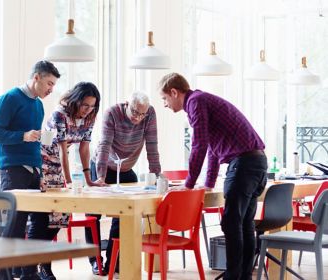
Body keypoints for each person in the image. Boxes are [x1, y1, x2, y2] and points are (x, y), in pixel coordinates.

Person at [157, 73, 266, 280]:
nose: (165, 104)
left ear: (174, 92)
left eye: (164, 98)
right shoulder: (202, 100)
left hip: (243, 165)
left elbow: (199, 144)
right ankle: (243, 276)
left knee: (232, 223)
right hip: (256, 162)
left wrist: (189, 185)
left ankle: (234, 277)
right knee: (243, 223)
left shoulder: (195, 102)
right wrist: (207, 183)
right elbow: (212, 147)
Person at [0, 60, 60, 280]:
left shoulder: (38, 104)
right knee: (16, 223)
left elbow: (36, 142)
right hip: (13, 170)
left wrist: (41, 172)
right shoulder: (10, 98)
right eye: (49, 83)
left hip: (34, 170)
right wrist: (22, 135)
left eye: (53, 85)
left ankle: (29, 272)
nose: (50, 89)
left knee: (39, 222)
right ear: (36, 77)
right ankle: (2, 274)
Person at [88, 91, 161, 275]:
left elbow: (152, 146)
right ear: (127, 104)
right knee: (93, 215)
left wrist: (156, 177)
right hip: (103, 165)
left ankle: (115, 260)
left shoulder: (149, 114)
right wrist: (101, 177)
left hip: (126, 169)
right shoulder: (112, 113)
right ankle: (96, 261)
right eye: (135, 112)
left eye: (141, 114)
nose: (138, 117)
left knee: (123, 216)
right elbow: (104, 145)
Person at [37, 82, 101, 279]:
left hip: (60, 164)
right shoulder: (60, 114)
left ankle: (40, 262)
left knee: (59, 219)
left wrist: (89, 179)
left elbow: (84, 148)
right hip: (45, 164)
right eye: (85, 105)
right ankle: (42, 266)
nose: (88, 110)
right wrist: (68, 182)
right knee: (47, 219)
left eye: (92, 106)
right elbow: (63, 150)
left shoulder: (90, 116)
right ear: (76, 101)